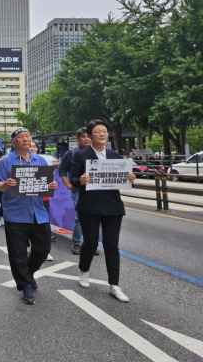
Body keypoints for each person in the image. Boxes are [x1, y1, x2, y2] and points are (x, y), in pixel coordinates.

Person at [69, 119, 135, 303]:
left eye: (105, 131)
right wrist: (80, 181)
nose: (102, 134)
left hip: (113, 206)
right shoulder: (81, 156)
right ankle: (84, 270)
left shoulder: (115, 155)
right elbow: (73, 178)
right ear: (90, 136)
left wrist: (130, 177)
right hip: (89, 206)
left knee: (112, 246)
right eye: (98, 132)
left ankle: (114, 285)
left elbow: (124, 179)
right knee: (90, 242)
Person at [0, 127, 58, 305]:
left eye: (28, 136)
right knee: (18, 254)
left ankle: (27, 275)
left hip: (39, 212)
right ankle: (26, 286)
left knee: (42, 249)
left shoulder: (40, 160)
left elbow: (46, 184)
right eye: (21, 137)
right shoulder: (6, 161)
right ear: (14, 142)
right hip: (15, 213)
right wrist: (6, 184)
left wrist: (51, 186)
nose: (25, 139)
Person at [59, 127, 92, 255]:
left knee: (93, 217)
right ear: (78, 139)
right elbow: (62, 170)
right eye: (84, 136)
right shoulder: (71, 153)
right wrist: (67, 183)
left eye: (89, 136)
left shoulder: (97, 153)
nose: (87, 139)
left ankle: (90, 244)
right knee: (80, 216)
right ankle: (77, 243)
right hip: (78, 190)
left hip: (95, 191)